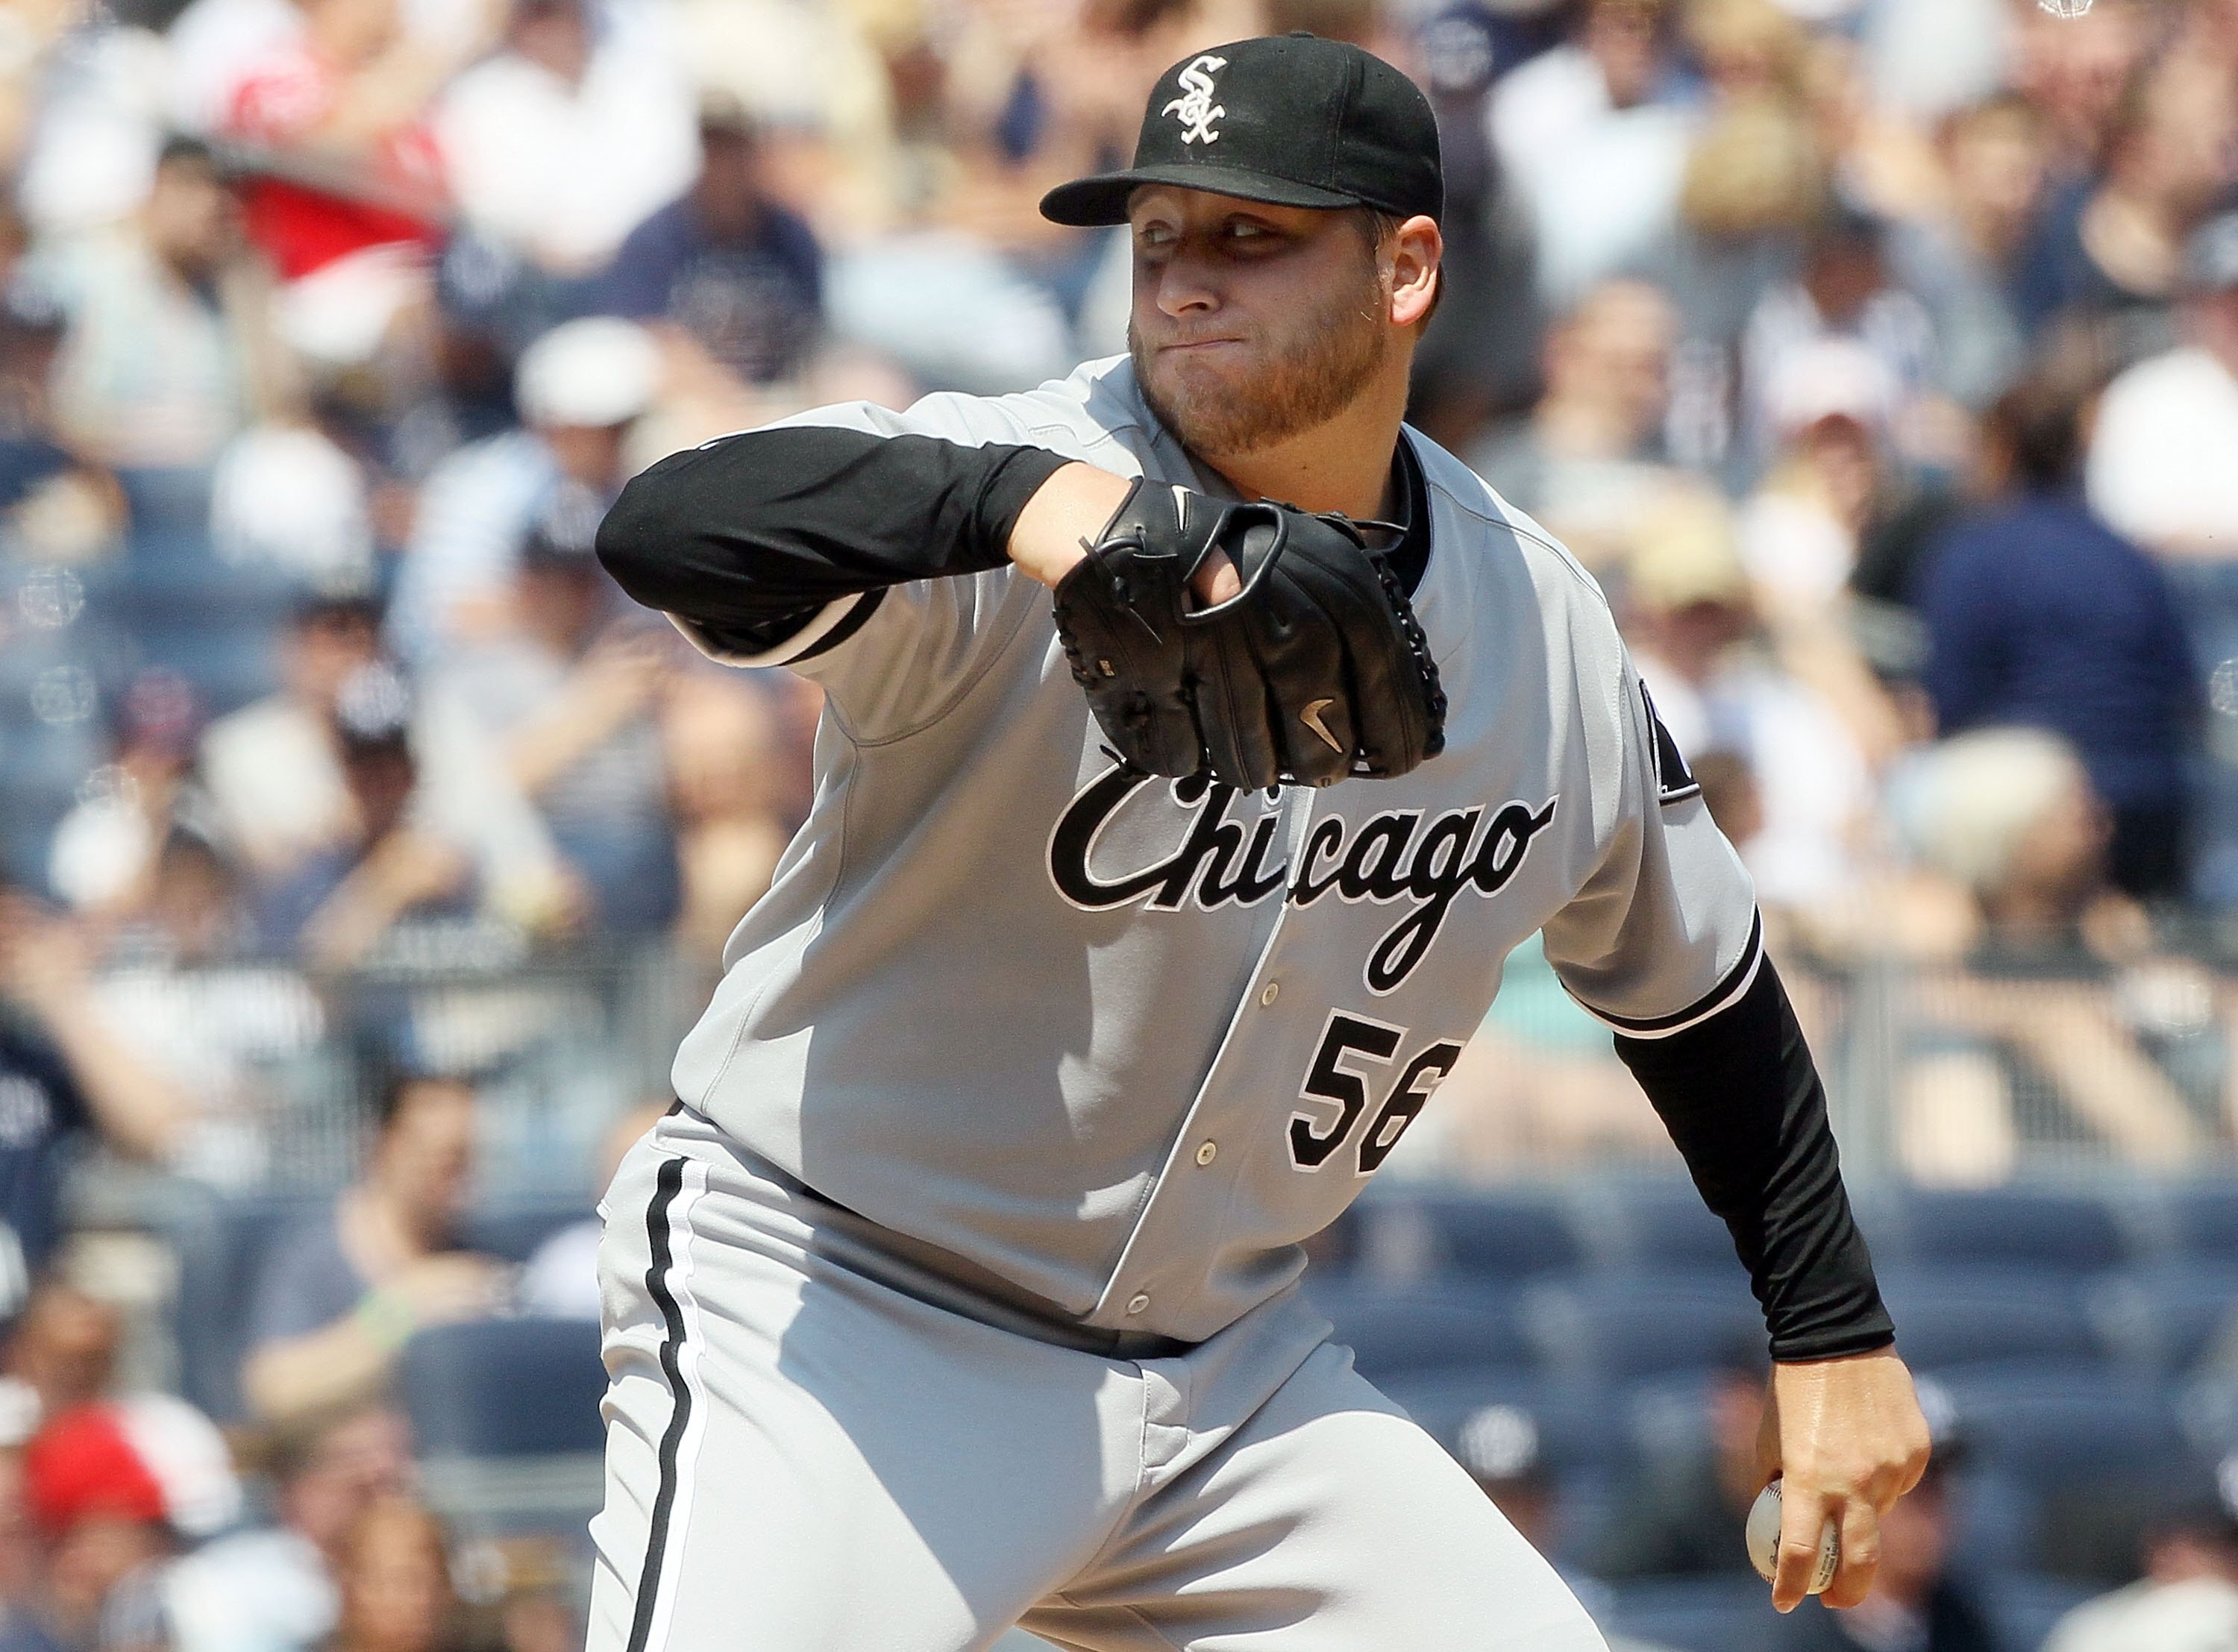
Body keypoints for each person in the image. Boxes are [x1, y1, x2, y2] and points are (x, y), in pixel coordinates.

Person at [589, 34, 1927, 1649]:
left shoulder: (1538, 623)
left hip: (1221, 1385)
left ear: (1409, 265)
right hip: (851, 1309)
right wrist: (1025, 508)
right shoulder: (1017, 474)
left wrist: (1832, 1330)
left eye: (1252, 237)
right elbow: (665, 523)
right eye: (1160, 239)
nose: (1185, 285)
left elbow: (1702, 997)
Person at [1918, 368, 2196, 901]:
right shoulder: (2128, 555)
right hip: (2149, 800)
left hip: (2033, 815)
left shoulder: (1971, 555)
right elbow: (2181, 686)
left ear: (1999, 449)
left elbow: (1952, 704)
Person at [240, 1070, 511, 1427]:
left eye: (467, 1159)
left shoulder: (479, 1252)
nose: (456, 1179)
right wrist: (400, 1314)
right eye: (440, 1159)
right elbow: (273, 1393)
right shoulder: (317, 1256)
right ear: (385, 1146)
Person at [164, 1403, 414, 1652]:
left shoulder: (427, 1574)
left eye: (392, 1483)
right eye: (355, 1477)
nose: (384, 1501)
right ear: (296, 1485)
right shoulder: (229, 1590)